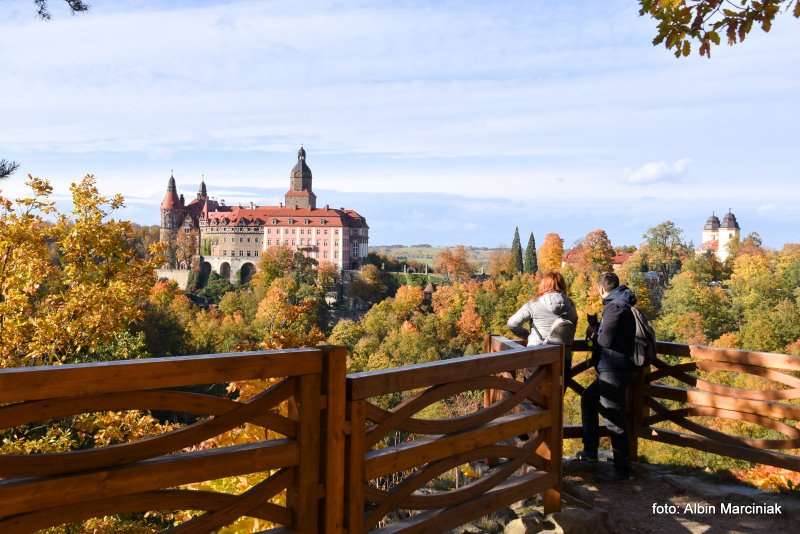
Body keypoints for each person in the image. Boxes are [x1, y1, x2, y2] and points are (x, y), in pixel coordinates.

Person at [578, 272, 637, 481]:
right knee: (588, 399)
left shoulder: (615, 307)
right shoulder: (622, 303)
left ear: (602, 289)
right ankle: (591, 451)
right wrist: (596, 326)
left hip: (613, 369)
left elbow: (605, 341)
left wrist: (594, 333)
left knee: (614, 418)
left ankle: (622, 470)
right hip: (617, 368)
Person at [507, 271, 578, 373]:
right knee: (559, 389)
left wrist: (527, 335)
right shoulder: (571, 305)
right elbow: (573, 327)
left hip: (537, 359)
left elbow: (512, 323)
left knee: (530, 388)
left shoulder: (533, 304)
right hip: (562, 361)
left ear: (543, 285)